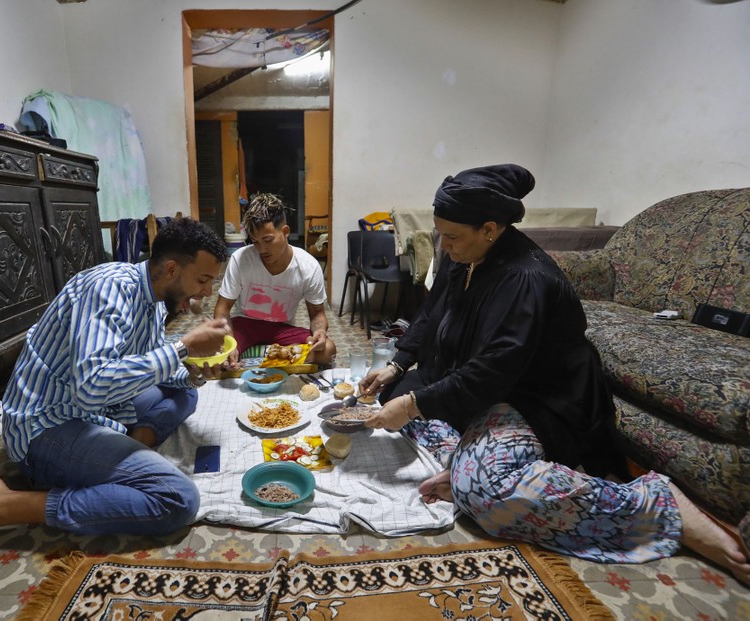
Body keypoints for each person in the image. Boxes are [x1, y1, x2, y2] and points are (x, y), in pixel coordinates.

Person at [359, 164, 750, 587]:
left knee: (483, 490)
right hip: (485, 385)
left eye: (452, 237)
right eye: (442, 235)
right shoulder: (464, 256)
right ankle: (465, 461)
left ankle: (656, 504)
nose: (445, 246)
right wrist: (399, 363)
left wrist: (415, 405)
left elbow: (493, 371)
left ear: (490, 228)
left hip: (535, 397)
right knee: (393, 394)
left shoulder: (526, 278)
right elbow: (435, 310)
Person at [0, 218, 230, 581]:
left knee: (183, 391)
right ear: (172, 269)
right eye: (202, 281)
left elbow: (152, 366)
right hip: (48, 425)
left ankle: (128, 450)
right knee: (178, 499)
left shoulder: (153, 302)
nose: (205, 294)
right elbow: (92, 385)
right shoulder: (109, 289)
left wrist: (197, 367)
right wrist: (183, 346)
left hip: (100, 410)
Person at [214, 193, 336, 368]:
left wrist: (320, 331)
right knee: (219, 355)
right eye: (255, 241)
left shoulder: (308, 266)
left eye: (267, 240)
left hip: (282, 328)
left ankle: (266, 358)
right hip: (245, 325)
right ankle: (245, 357)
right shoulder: (240, 259)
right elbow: (222, 309)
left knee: (328, 349)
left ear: (285, 232)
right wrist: (229, 341)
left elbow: (317, 314)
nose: (261, 249)